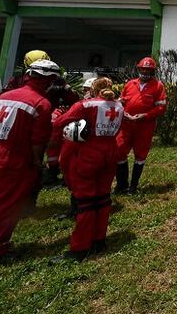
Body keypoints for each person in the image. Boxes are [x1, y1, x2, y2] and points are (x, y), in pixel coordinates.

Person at [0, 59, 60, 260]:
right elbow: (38, 141)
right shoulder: (41, 103)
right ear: (49, 80)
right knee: (6, 204)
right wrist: (36, 161)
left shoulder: (4, 96)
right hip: (14, 158)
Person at [52, 77, 124, 261]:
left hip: (89, 153)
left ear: (93, 89)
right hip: (111, 152)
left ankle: (79, 248)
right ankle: (99, 240)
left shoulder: (85, 105)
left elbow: (59, 123)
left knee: (85, 202)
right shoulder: (119, 106)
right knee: (103, 199)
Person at [115, 56, 167, 194]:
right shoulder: (130, 84)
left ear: (153, 71)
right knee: (119, 151)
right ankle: (121, 185)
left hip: (144, 126)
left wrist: (145, 115)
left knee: (140, 155)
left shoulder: (158, 86)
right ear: (139, 69)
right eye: (143, 69)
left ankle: (133, 186)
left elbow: (161, 107)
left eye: (148, 70)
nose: (145, 72)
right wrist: (123, 112)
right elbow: (121, 102)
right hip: (126, 125)